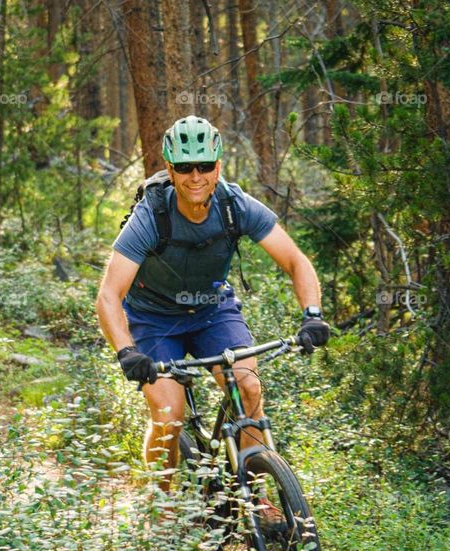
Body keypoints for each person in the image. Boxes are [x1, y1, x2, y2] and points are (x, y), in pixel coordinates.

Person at [96, 115, 329, 491]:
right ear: (170, 171)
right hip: (154, 319)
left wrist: (313, 315)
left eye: (204, 165)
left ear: (218, 166)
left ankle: (255, 499)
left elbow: (294, 261)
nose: (195, 176)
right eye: (185, 167)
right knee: (169, 414)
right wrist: (126, 352)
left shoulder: (236, 205)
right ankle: (163, 502)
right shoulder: (150, 216)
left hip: (211, 311)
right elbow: (109, 294)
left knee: (248, 389)